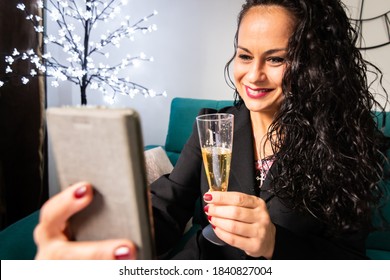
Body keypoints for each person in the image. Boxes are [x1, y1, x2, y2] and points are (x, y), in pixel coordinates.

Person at [34, 0, 389, 259]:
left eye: (277, 59)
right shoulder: (215, 125)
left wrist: (275, 245)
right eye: (245, 55)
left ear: (314, 65)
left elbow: (350, 262)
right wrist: (114, 235)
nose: (253, 76)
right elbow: (168, 207)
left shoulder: (346, 144)